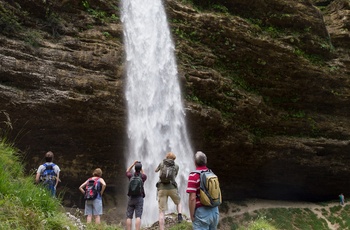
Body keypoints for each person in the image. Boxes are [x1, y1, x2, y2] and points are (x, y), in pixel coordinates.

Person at [186, 151, 219, 230]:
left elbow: (192, 198)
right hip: (215, 210)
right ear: (206, 161)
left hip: (202, 213)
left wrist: (191, 215)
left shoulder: (193, 175)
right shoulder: (212, 173)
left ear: (195, 162)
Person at [155, 152, 183, 229]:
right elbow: (175, 175)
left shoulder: (161, 163)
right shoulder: (176, 166)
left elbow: (155, 170)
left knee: (161, 212)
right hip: (172, 187)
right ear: (174, 158)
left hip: (161, 188)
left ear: (166, 157)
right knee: (179, 202)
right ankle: (179, 214)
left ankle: (162, 229)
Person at [126, 160, 147, 230]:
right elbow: (144, 174)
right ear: (140, 169)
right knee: (138, 216)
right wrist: (141, 169)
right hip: (139, 198)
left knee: (129, 216)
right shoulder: (143, 177)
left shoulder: (131, 176)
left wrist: (133, 164)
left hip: (131, 198)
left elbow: (127, 171)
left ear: (134, 168)